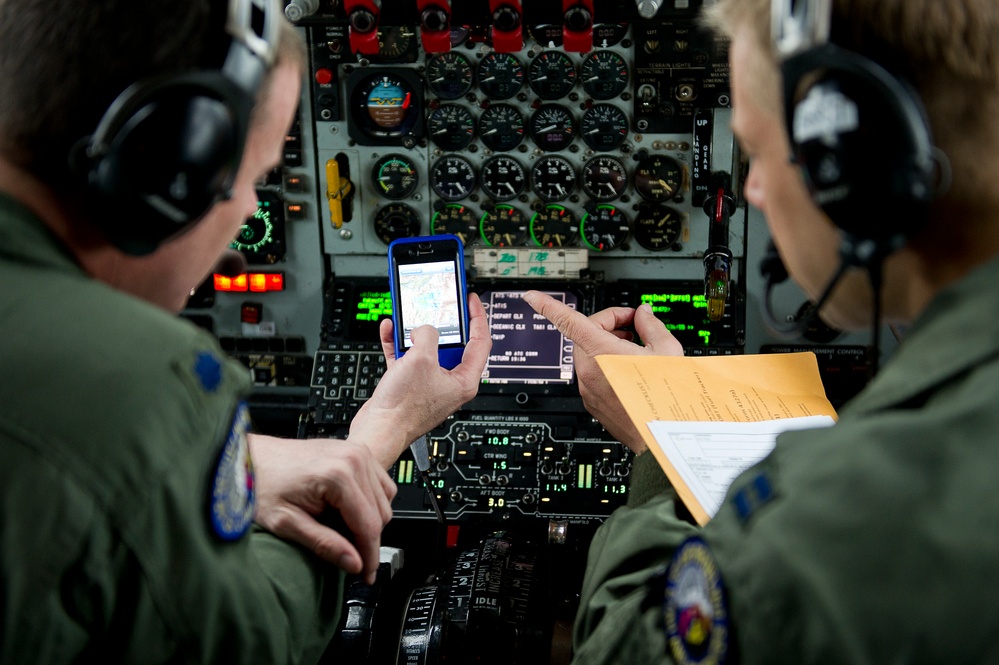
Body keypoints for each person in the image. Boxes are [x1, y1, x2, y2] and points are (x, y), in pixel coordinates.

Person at [0, 1, 489, 662]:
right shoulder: (140, 380)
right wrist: (379, 434)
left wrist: (239, 460)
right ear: (168, 167)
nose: (249, 215)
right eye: (255, 179)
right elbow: (250, 638)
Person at [524, 0, 999, 662]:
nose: (749, 191)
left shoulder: (854, 504)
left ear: (853, 166)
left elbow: (619, 647)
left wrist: (657, 437)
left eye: (753, 151)